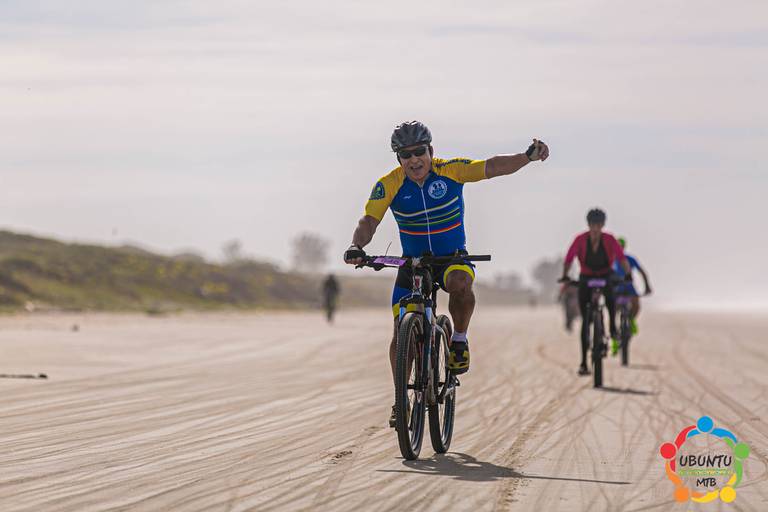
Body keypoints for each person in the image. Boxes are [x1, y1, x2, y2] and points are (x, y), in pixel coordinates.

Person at [343, 120, 549, 426]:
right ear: (398, 158)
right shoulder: (389, 184)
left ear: (430, 150)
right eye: (405, 155)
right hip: (413, 263)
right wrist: (356, 246)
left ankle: (459, 340)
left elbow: (491, 167)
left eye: (419, 152)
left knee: (460, 282)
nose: (414, 159)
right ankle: (401, 399)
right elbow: (369, 220)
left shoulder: (450, 170)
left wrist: (526, 157)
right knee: (400, 331)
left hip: (451, 258)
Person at [561, 208, 631, 376]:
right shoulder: (579, 240)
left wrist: (627, 274)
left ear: (603, 225)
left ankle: (612, 328)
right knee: (586, 321)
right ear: (588, 224)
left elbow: (621, 258)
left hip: (606, 274)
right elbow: (569, 258)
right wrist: (565, 275)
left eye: (598, 225)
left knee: (610, 298)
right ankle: (584, 362)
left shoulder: (610, 239)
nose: (595, 228)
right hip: (586, 276)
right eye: (593, 224)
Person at [613, 237, 652, 335]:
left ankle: (631, 320)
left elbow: (642, 272)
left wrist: (647, 286)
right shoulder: (611, 260)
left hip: (628, 287)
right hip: (615, 287)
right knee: (613, 309)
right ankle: (613, 332)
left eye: (621, 247)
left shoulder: (630, 259)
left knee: (636, 305)